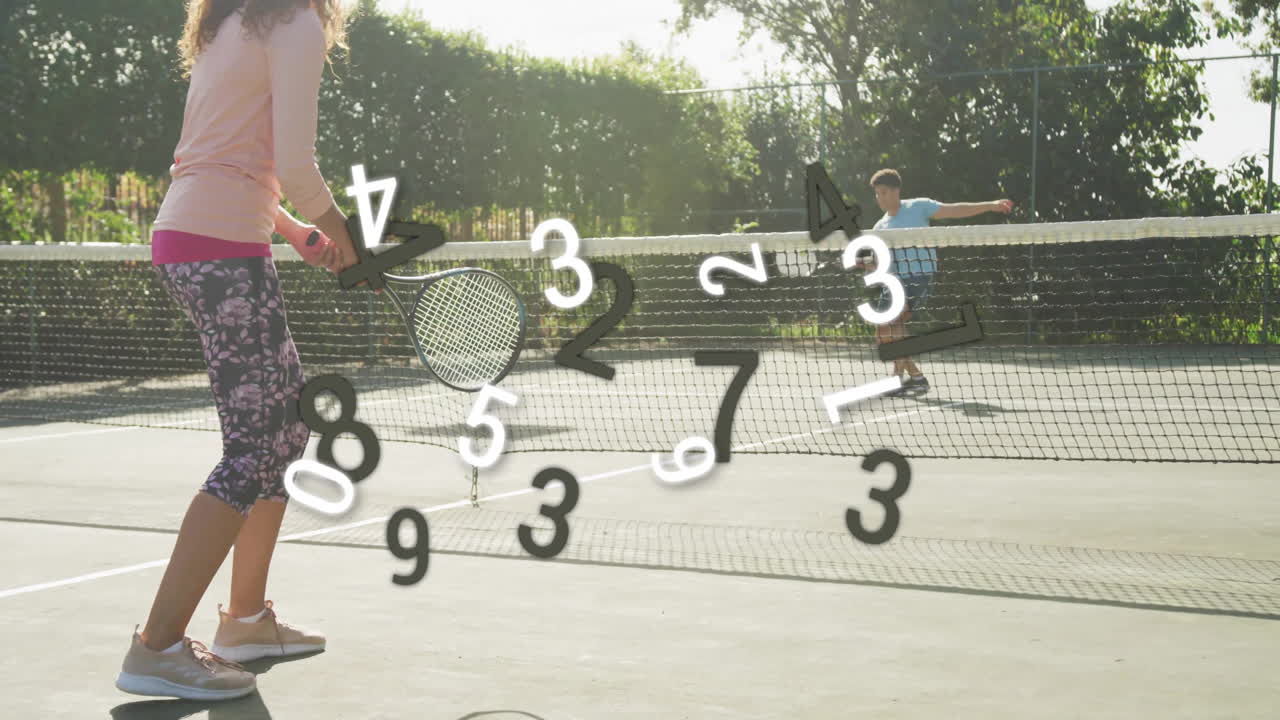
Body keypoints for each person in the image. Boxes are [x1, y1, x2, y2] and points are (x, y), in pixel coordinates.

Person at [115, 0, 361, 702]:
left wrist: (300, 233)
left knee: (286, 431)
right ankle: (156, 647)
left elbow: (236, 158)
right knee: (252, 451)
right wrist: (345, 234)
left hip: (204, 239)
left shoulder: (230, 21)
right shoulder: (292, 21)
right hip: (219, 249)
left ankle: (246, 620)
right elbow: (296, 162)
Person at [865, 168, 1013, 396]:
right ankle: (914, 378)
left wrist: (991, 204)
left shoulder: (918, 207)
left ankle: (901, 379)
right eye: (877, 194)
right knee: (884, 333)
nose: (880, 198)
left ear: (896, 191)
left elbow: (955, 211)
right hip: (894, 282)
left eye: (884, 192)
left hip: (919, 278)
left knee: (893, 326)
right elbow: (881, 265)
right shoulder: (879, 228)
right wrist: (868, 264)